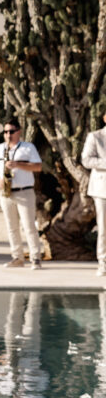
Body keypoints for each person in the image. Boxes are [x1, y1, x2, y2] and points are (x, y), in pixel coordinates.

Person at [0, 118, 43, 270]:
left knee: (29, 226)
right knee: (11, 227)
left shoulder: (28, 147)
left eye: (11, 131)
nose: (8, 134)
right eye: (5, 132)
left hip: (24, 192)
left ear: (19, 132)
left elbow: (38, 167)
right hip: (6, 193)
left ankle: (35, 258)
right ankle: (17, 258)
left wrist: (18, 164)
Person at [81, 112, 106, 278]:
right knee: (103, 228)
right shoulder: (95, 136)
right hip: (102, 189)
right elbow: (86, 160)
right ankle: (103, 263)